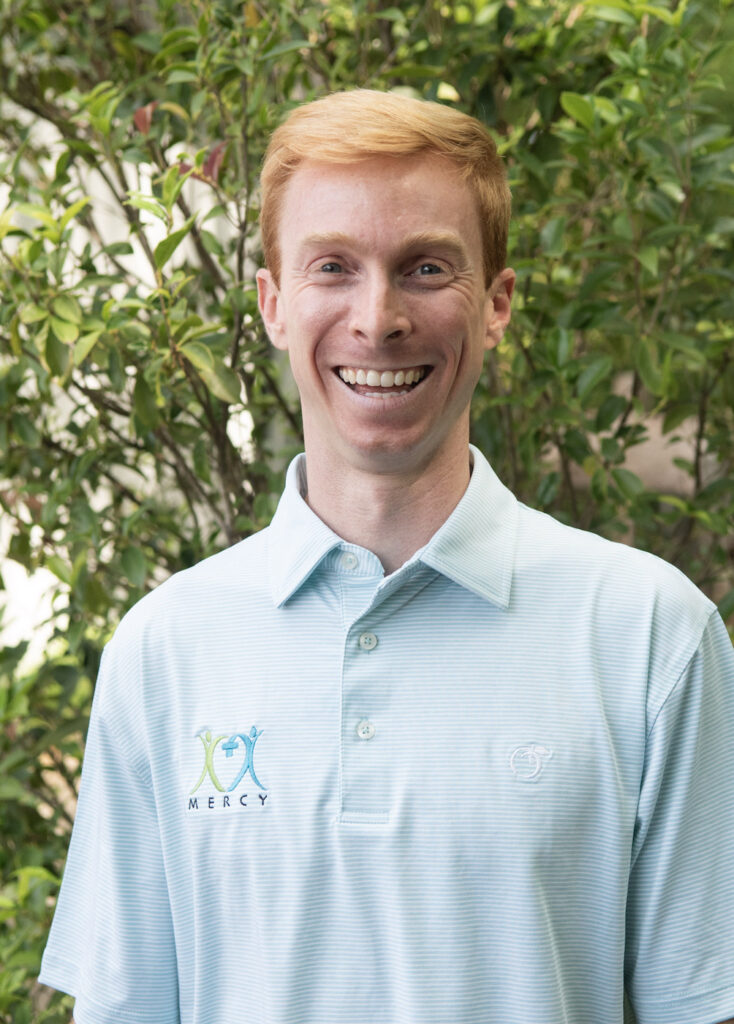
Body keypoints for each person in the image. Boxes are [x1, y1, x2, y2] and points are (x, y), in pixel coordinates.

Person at [40, 89, 734, 1024]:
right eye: (334, 265)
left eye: (424, 268)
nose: (378, 317)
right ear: (274, 304)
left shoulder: (653, 637)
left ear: (496, 306)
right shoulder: (165, 651)